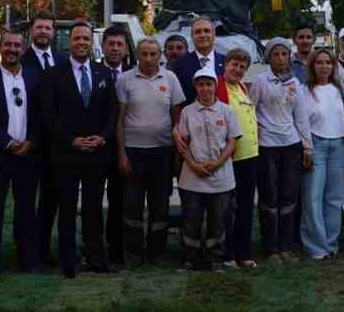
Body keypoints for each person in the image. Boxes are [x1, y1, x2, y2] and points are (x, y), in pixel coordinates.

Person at [39, 21, 118, 277]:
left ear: (91, 42)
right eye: (77, 38)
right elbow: (48, 115)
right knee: (67, 208)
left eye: (86, 38)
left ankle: (96, 257)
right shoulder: (53, 74)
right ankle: (68, 260)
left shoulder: (103, 73)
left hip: (96, 153)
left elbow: (112, 112)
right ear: (68, 42)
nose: (82, 42)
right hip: (66, 153)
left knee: (94, 208)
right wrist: (71, 140)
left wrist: (102, 137)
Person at [0, 26, 44, 275]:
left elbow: (41, 115)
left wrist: (31, 141)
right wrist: (6, 141)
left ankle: (27, 260)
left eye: (17, 45)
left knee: (26, 211)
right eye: (8, 45)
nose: (12, 49)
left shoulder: (35, 77)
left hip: (28, 155)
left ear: (23, 49)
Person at [116, 37, 184, 267]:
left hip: (162, 152)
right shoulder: (124, 79)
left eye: (153, 54)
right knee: (132, 204)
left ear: (160, 55)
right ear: (137, 55)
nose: (148, 58)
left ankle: (158, 251)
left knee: (160, 204)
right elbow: (119, 120)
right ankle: (133, 252)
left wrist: (177, 153)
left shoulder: (171, 79)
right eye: (144, 54)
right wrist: (121, 154)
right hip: (133, 152)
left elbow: (177, 118)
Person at [250, 38, 313, 263]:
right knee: (269, 198)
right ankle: (271, 248)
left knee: (289, 198)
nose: (280, 58)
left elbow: (301, 117)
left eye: (284, 54)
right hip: (267, 146)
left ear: (289, 57)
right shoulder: (259, 81)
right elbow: (250, 111)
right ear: (269, 58)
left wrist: (307, 148)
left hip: (291, 145)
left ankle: (287, 246)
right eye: (275, 55)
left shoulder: (295, 83)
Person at [174, 71, 240, 270]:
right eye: (201, 85)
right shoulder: (187, 112)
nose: (205, 89)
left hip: (221, 177)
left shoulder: (227, 111)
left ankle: (214, 258)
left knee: (217, 221)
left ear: (215, 86)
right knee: (191, 220)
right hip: (192, 178)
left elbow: (232, 141)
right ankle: (189, 258)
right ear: (196, 87)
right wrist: (193, 165)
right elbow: (183, 143)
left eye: (209, 84)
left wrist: (218, 162)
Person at [301, 48, 344, 261]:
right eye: (320, 62)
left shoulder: (340, 89)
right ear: (313, 66)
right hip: (316, 145)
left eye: (328, 62)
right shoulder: (305, 90)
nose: (324, 66)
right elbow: (302, 121)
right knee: (313, 197)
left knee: (334, 198)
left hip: (338, 145)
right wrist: (307, 148)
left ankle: (331, 243)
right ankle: (316, 246)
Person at [23, 14, 65, 269]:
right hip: (29, 143)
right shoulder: (21, 59)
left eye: (47, 27)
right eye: (38, 27)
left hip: (56, 145)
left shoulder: (62, 60)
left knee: (51, 201)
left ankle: (45, 249)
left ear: (53, 32)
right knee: (28, 202)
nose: (43, 31)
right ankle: (27, 251)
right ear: (31, 31)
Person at [221, 48, 261, 268]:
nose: (237, 69)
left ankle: (243, 253)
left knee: (246, 207)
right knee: (228, 209)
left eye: (242, 67)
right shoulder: (218, 86)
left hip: (250, 156)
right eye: (234, 64)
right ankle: (227, 254)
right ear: (225, 65)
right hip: (230, 157)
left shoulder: (242, 87)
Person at [99, 24, 133, 267]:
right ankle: (94, 246)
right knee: (92, 201)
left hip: (124, 149)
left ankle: (117, 248)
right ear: (102, 47)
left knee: (120, 201)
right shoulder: (92, 72)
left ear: (125, 48)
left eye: (119, 44)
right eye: (110, 43)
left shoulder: (134, 73)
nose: (115, 48)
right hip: (97, 147)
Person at [171, 16, 222, 105]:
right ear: (192, 36)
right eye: (198, 32)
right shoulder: (179, 65)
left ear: (214, 34)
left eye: (206, 31)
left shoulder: (226, 62)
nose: (202, 35)